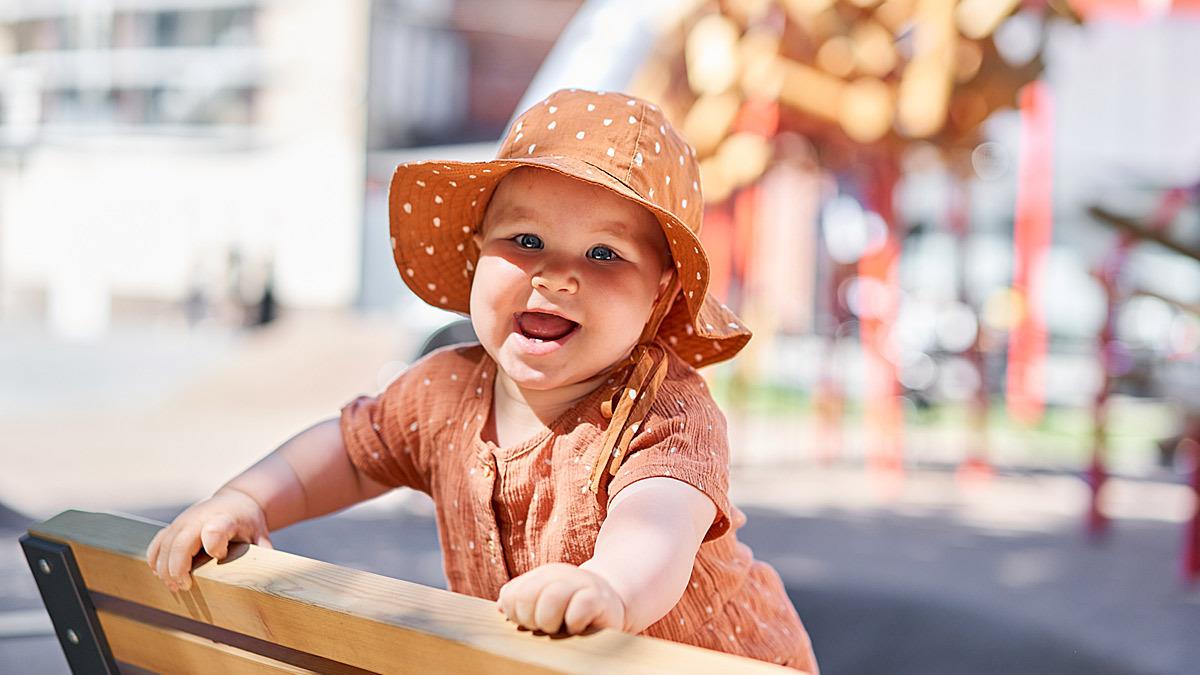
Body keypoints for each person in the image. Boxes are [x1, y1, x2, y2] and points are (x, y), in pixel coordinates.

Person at [145, 88, 818, 672]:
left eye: (603, 252)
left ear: (661, 295)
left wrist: (609, 585)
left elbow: (657, 529)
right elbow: (347, 454)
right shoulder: (443, 392)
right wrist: (248, 501)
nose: (555, 274)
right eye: (525, 240)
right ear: (476, 252)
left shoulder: (664, 410)